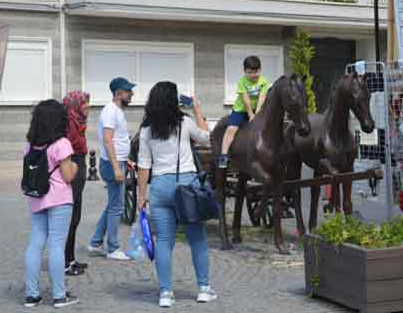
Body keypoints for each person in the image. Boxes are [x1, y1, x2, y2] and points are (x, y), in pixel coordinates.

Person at [136, 81, 217, 307]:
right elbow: (207, 138)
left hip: (160, 187)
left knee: (163, 240)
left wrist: (142, 196)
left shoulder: (146, 129)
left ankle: (165, 293)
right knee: (197, 238)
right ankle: (203, 288)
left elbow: (144, 165)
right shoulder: (185, 123)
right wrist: (197, 109)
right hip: (187, 188)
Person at [23, 100, 79, 308]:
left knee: (35, 244)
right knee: (56, 245)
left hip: (37, 197)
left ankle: (32, 295)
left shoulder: (29, 144)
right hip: (59, 199)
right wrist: (73, 166)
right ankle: (59, 296)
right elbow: (67, 176)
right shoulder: (61, 143)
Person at [88, 77, 135, 261]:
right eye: (128, 91)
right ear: (118, 93)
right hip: (112, 164)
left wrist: (126, 160)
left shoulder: (116, 111)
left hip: (119, 161)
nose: (131, 94)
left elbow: (118, 140)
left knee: (113, 205)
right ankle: (113, 248)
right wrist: (117, 167)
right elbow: (108, 140)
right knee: (117, 207)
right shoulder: (110, 111)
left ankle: (95, 242)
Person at [217, 55, 270, 168]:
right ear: (245, 71)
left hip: (258, 109)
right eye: (249, 72)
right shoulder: (242, 82)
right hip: (241, 110)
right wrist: (251, 115)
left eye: (255, 72)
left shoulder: (264, 82)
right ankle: (223, 155)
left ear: (260, 70)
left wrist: (258, 114)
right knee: (231, 129)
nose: (253, 75)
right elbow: (245, 100)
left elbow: (262, 98)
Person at [62, 91, 90, 276]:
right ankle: (66, 261)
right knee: (71, 217)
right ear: (76, 105)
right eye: (85, 103)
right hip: (73, 165)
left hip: (79, 163)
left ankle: (71, 258)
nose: (88, 107)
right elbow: (68, 149)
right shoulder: (69, 124)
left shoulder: (77, 121)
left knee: (76, 215)